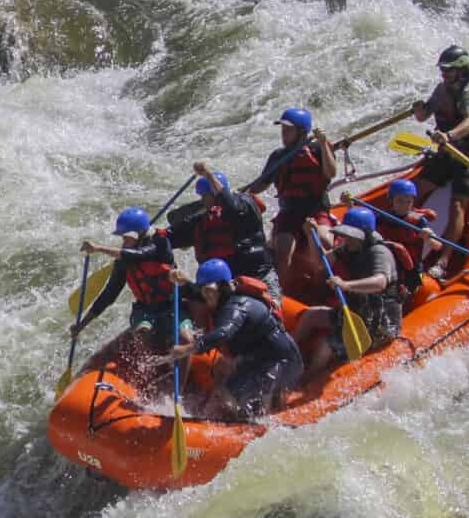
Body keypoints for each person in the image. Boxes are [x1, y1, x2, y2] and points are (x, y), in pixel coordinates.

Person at [170, 259, 303, 422]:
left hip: (281, 362)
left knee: (255, 406)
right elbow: (199, 292)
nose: (206, 295)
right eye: (204, 291)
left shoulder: (238, 306)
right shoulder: (218, 293)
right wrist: (184, 283)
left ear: (222, 286)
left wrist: (188, 348)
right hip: (258, 358)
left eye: (209, 291)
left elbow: (223, 333)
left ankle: (255, 422)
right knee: (222, 387)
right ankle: (232, 417)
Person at [410, 44, 469, 279]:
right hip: (447, 151)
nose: (443, 73)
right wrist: (419, 110)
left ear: (461, 70)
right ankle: (402, 234)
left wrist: (449, 136)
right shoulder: (441, 89)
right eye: (442, 69)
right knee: (417, 188)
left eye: (448, 69)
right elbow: (424, 116)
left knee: (457, 205)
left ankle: (444, 260)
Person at [296, 207, 401, 376]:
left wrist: (346, 285)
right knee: (311, 316)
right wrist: (310, 236)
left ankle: (308, 379)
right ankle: (291, 358)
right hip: (357, 313)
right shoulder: (349, 248)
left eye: (351, 235)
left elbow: (380, 282)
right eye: (346, 234)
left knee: (326, 344)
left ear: (365, 235)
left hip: (380, 322)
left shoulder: (379, 252)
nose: (346, 238)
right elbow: (319, 263)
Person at [166, 161, 282, 308]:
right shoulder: (202, 221)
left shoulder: (245, 207)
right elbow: (172, 237)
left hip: (258, 278)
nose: (202, 200)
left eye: (204, 195)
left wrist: (208, 174)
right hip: (223, 288)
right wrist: (148, 236)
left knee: (273, 308)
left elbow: (231, 206)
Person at [71, 206, 186, 354]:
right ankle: (148, 368)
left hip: (172, 304)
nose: (123, 241)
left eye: (126, 237)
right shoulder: (123, 262)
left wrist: (99, 248)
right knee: (143, 334)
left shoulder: (161, 244)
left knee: (184, 338)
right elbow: (109, 295)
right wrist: (82, 325)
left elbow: (140, 254)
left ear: (140, 235)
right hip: (145, 309)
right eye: (122, 238)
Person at [243, 107, 337, 286]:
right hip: (289, 213)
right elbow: (261, 184)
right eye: (283, 130)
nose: (283, 133)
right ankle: (280, 295)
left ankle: (325, 286)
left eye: (288, 130)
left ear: (302, 132)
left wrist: (324, 144)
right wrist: (240, 194)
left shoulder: (318, 148)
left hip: (316, 210)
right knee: (283, 249)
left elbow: (331, 173)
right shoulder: (278, 156)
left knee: (324, 240)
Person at [362, 177, 442, 284]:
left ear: (413, 201)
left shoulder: (418, 221)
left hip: (412, 268)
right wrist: (349, 205)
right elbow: (363, 228)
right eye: (400, 201)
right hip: (388, 261)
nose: (404, 205)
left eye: (408, 201)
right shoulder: (383, 217)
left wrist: (429, 237)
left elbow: (438, 246)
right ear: (391, 200)